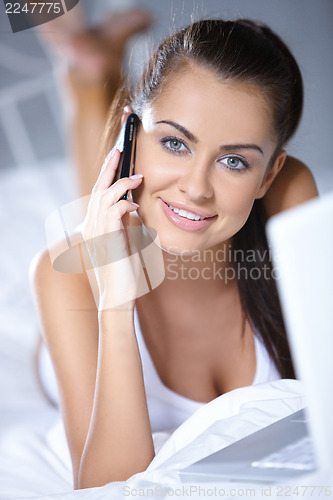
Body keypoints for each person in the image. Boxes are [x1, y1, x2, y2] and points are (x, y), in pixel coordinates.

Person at [31, 18, 318, 489]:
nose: (197, 188)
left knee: (152, 202)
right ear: (133, 134)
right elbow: (106, 490)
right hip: (79, 316)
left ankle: (99, 67)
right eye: (174, 142)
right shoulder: (64, 274)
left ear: (268, 175)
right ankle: (87, 78)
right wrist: (117, 303)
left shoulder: (287, 197)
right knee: (104, 220)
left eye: (234, 161)